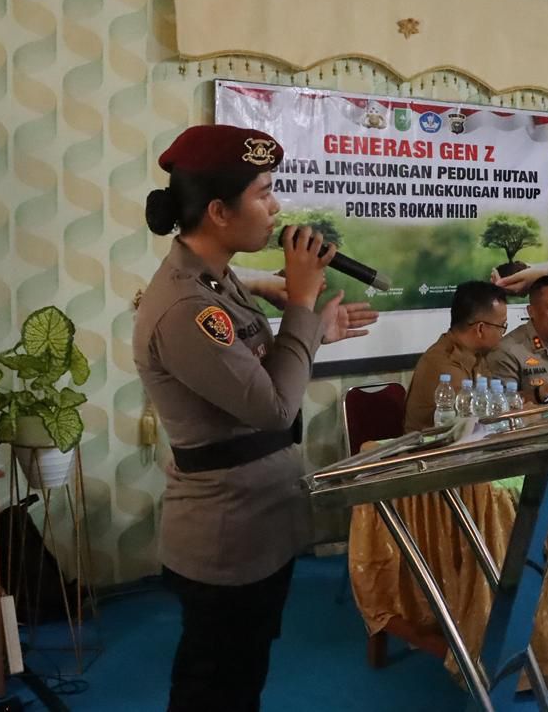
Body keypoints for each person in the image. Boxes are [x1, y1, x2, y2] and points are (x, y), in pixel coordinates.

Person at [133, 124, 377, 712]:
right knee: (214, 690)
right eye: (264, 193)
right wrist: (302, 305)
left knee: (243, 678)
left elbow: (261, 371)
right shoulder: (188, 304)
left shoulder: (221, 281)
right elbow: (273, 408)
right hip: (226, 535)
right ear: (219, 211)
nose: (276, 208)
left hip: (259, 521)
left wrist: (313, 329)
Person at [403, 281, 509, 432]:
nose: (502, 333)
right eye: (502, 326)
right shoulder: (444, 364)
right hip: (434, 445)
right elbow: (473, 423)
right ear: (480, 329)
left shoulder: (476, 354)